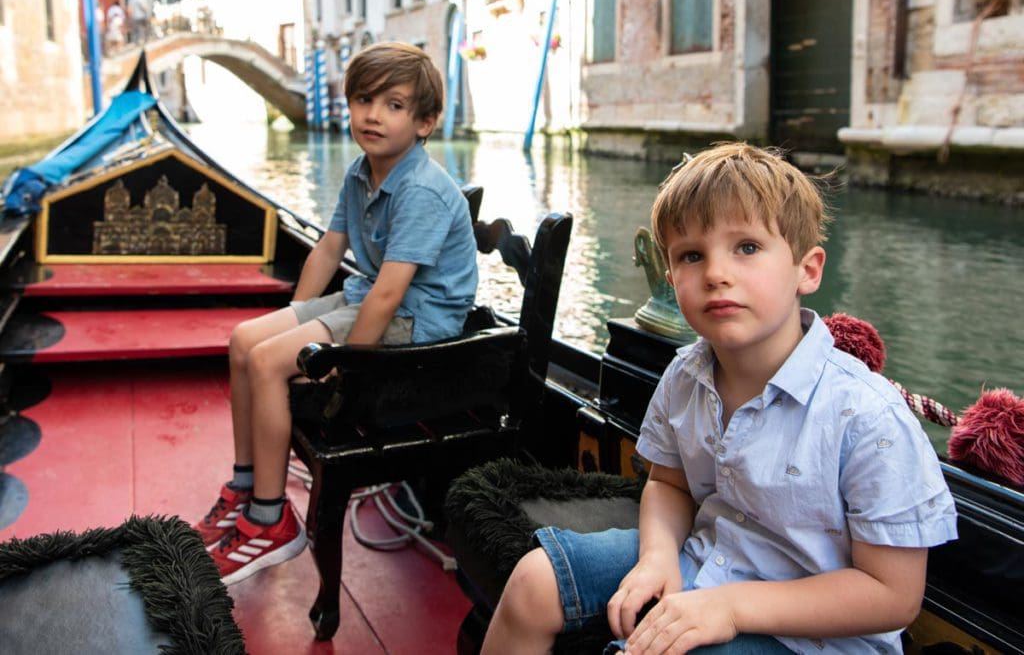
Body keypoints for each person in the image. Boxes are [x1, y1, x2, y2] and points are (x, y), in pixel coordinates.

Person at [483, 142, 957, 655]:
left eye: (747, 247)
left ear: (808, 269)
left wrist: (729, 607)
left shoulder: (867, 416)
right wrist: (658, 557)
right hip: (704, 555)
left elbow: (892, 595)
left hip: (812, 636)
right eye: (692, 255)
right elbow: (669, 485)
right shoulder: (686, 374)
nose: (715, 274)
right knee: (534, 581)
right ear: (672, 277)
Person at [195, 42, 479, 585]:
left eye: (393, 105)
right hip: (369, 297)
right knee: (243, 342)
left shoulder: (421, 190)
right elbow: (328, 249)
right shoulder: (359, 171)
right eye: (364, 99)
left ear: (425, 122)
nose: (373, 114)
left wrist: (346, 366)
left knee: (267, 363)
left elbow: (391, 296)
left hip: (417, 323)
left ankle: (269, 518)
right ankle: (244, 480)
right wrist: (295, 315)